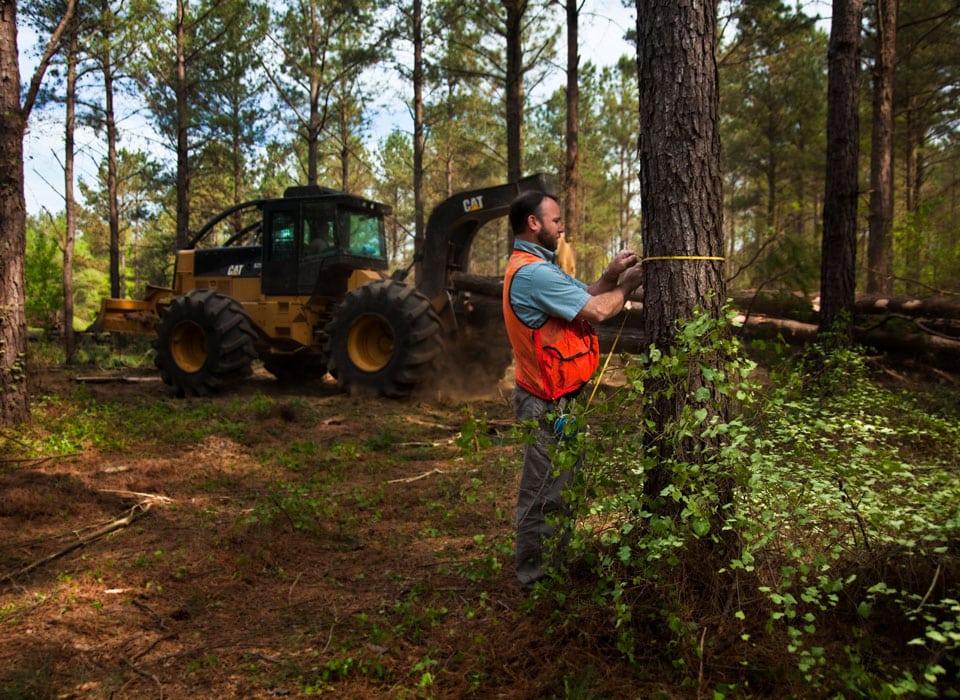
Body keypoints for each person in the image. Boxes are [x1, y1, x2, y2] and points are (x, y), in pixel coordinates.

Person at [502, 190, 643, 591]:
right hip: (545, 401)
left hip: (558, 398)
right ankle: (535, 580)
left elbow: (586, 295)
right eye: (557, 220)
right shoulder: (532, 274)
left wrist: (612, 275)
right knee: (543, 491)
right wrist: (627, 288)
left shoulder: (538, 267)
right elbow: (598, 311)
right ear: (534, 223)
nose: (563, 227)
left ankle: (554, 566)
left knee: (560, 486)